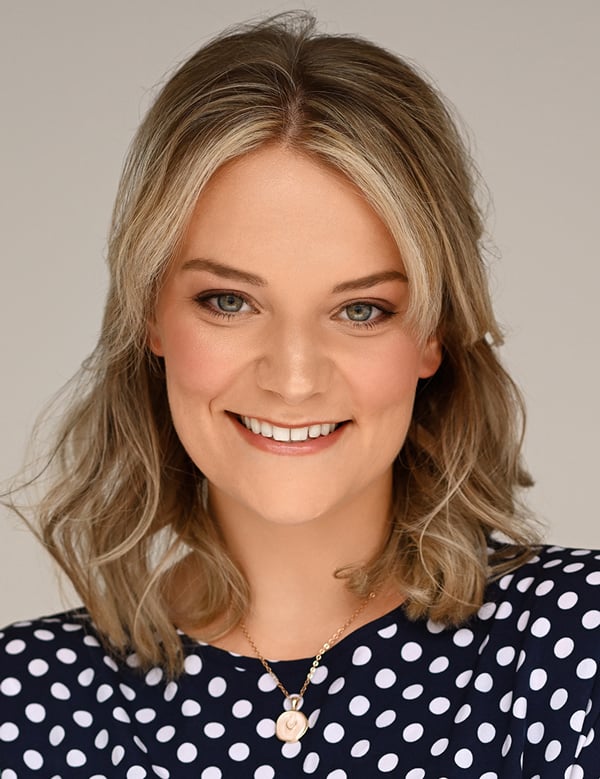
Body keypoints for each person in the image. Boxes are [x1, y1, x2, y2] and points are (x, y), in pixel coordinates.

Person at [1, 12, 598, 778]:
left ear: (434, 333)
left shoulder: (574, 646)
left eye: (361, 309)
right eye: (229, 301)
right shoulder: (26, 704)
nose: (292, 377)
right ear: (150, 314)